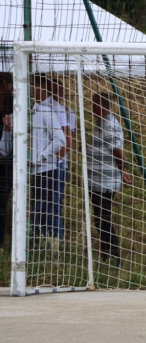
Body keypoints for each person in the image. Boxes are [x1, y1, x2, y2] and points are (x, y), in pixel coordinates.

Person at [88, 92, 131, 267]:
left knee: (104, 219)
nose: (91, 108)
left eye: (93, 104)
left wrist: (123, 170)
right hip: (98, 180)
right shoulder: (103, 123)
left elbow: (118, 152)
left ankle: (115, 258)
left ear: (101, 106)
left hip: (104, 182)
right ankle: (106, 254)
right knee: (100, 218)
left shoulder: (108, 125)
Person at [31, 74, 66, 240]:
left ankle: (53, 244)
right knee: (37, 208)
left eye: (35, 85)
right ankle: (37, 242)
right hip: (33, 170)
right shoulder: (30, 110)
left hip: (48, 168)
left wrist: (41, 157)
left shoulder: (50, 110)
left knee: (50, 209)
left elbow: (63, 139)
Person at [47, 79, 76, 240]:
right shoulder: (42, 109)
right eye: (52, 91)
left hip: (58, 165)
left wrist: (57, 159)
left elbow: (67, 140)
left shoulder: (67, 112)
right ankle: (41, 237)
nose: (55, 94)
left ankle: (57, 238)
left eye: (58, 91)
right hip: (43, 163)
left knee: (55, 202)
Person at [0, 74, 13, 250]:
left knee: (1, 204)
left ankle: (0, 243)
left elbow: (7, 147)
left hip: (5, 165)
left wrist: (8, 129)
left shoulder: (13, 109)